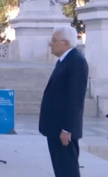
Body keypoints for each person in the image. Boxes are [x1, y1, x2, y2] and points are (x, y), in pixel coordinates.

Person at [39, 26, 88, 177]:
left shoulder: (76, 62)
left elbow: (75, 98)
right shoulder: (64, 60)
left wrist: (67, 129)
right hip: (55, 127)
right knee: (61, 169)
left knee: (68, 170)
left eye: (54, 40)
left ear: (66, 43)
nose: (50, 44)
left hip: (63, 130)